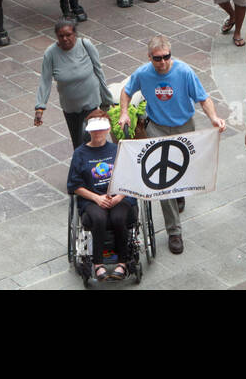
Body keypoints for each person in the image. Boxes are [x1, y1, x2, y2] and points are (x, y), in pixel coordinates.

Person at [117, 37, 225, 255]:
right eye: (158, 58)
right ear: (150, 58)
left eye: (167, 57)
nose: (163, 62)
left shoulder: (184, 72)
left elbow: (203, 98)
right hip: (157, 128)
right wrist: (124, 112)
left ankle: (180, 192)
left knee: (184, 171)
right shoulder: (143, 73)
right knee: (162, 181)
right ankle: (174, 230)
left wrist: (214, 117)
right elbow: (126, 91)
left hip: (184, 126)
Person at [66, 114, 136, 282]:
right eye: (94, 131)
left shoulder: (117, 150)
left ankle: (123, 262)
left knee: (119, 218)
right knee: (98, 218)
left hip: (119, 195)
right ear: (89, 132)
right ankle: (98, 264)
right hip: (92, 198)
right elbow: (74, 186)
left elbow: (131, 177)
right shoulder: (80, 154)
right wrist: (97, 198)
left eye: (101, 130)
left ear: (108, 130)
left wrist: (119, 197)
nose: (98, 133)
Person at [36, 21, 113, 150]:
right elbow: (45, 80)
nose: (65, 39)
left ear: (75, 34)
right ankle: (81, 166)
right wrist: (40, 107)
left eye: (68, 35)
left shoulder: (85, 45)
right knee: (77, 142)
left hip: (91, 103)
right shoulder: (50, 53)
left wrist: (107, 99)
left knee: (89, 137)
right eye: (61, 36)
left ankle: (94, 166)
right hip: (70, 107)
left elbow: (99, 71)